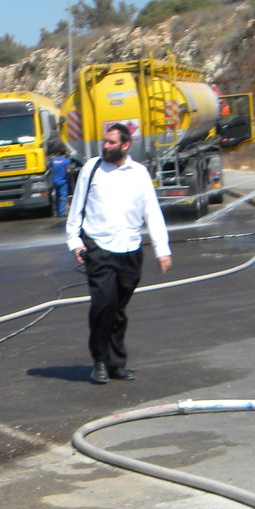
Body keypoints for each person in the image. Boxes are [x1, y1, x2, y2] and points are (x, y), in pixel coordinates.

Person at [65, 124, 172, 384]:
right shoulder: (92, 169)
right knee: (104, 305)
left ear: (126, 145)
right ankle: (99, 360)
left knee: (119, 308)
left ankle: (116, 363)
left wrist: (162, 250)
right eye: (105, 141)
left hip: (130, 250)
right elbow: (76, 208)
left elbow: (152, 213)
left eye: (112, 142)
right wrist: (75, 242)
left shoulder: (139, 173)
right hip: (99, 248)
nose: (106, 146)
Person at [46, 141, 76, 217]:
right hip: (63, 181)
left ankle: (57, 211)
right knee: (63, 197)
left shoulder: (53, 160)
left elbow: (49, 166)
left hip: (55, 181)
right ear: (65, 154)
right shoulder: (66, 161)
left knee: (57, 197)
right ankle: (62, 213)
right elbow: (68, 171)